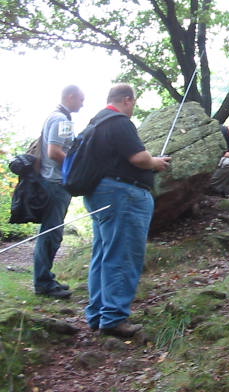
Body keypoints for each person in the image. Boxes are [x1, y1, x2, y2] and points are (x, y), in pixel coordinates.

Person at [83, 84, 171, 337]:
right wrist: (156, 162)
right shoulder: (118, 121)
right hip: (123, 196)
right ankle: (114, 319)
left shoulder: (95, 123)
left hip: (99, 194)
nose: (133, 108)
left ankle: (98, 314)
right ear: (127, 100)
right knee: (123, 255)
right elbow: (139, 158)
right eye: (133, 103)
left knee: (104, 254)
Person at [33, 85, 85, 298]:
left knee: (52, 233)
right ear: (71, 97)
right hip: (55, 183)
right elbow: (55, 152)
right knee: (50, 234)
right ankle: (44, 283)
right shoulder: (61, 119)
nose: (83, 104)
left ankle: (46, 278)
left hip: (53, 182)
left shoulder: (59, 117)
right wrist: (77, 168)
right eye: (81, 100)